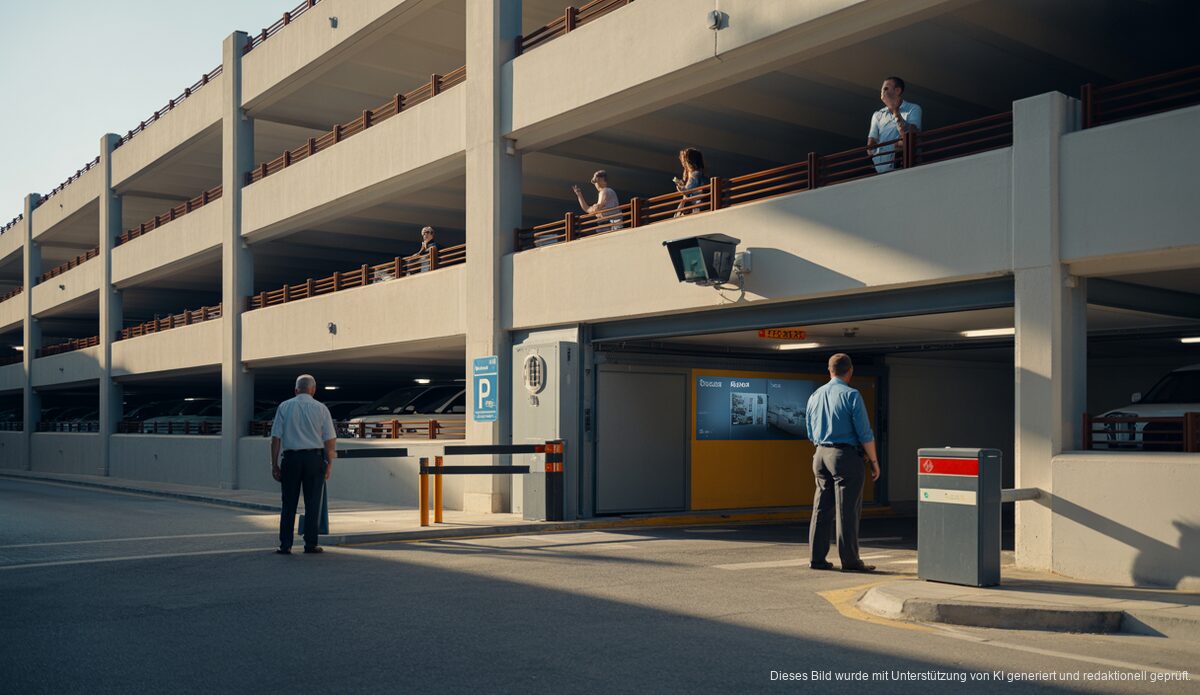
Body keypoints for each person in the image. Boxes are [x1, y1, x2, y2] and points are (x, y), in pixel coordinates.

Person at [805, 353, 881, 572]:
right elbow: (865, 433)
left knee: (821, 508)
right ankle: (850, 561)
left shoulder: (815, 395)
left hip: (820, 455)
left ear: (829, 371)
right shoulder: (852, 395)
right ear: (850, 371)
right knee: (847, 509)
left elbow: (810, 431)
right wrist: (874, 461)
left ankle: (817, 559)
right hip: (845, 456)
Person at [270, 374, 337, 555]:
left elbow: (276, 438)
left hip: (291, 459)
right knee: (313, 502)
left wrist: (274, 464)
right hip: (315, 459)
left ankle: (285, 545)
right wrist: (329, 464)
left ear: (296, 389)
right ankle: (310, 544)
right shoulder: (322, 408)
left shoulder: (284, 406)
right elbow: (330, 441)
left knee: (288, 503)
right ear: (313, 390)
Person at [867, 76, 922, 174]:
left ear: (897, 90)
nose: (882, 91)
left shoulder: (913, 109)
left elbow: (911, 136)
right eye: (882, 89)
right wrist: (879, 155)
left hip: (904, 169)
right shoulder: (877, 115)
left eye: (886, 88)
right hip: (880, 171)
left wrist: (895, 110)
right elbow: (870, 145)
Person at [673, 147, 706, 217]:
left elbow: (688, 192)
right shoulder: (699, 173)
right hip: (696, 204)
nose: (683, 163)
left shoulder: (695, 174)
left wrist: (680, 188)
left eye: (684, 161)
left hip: (695, 205)